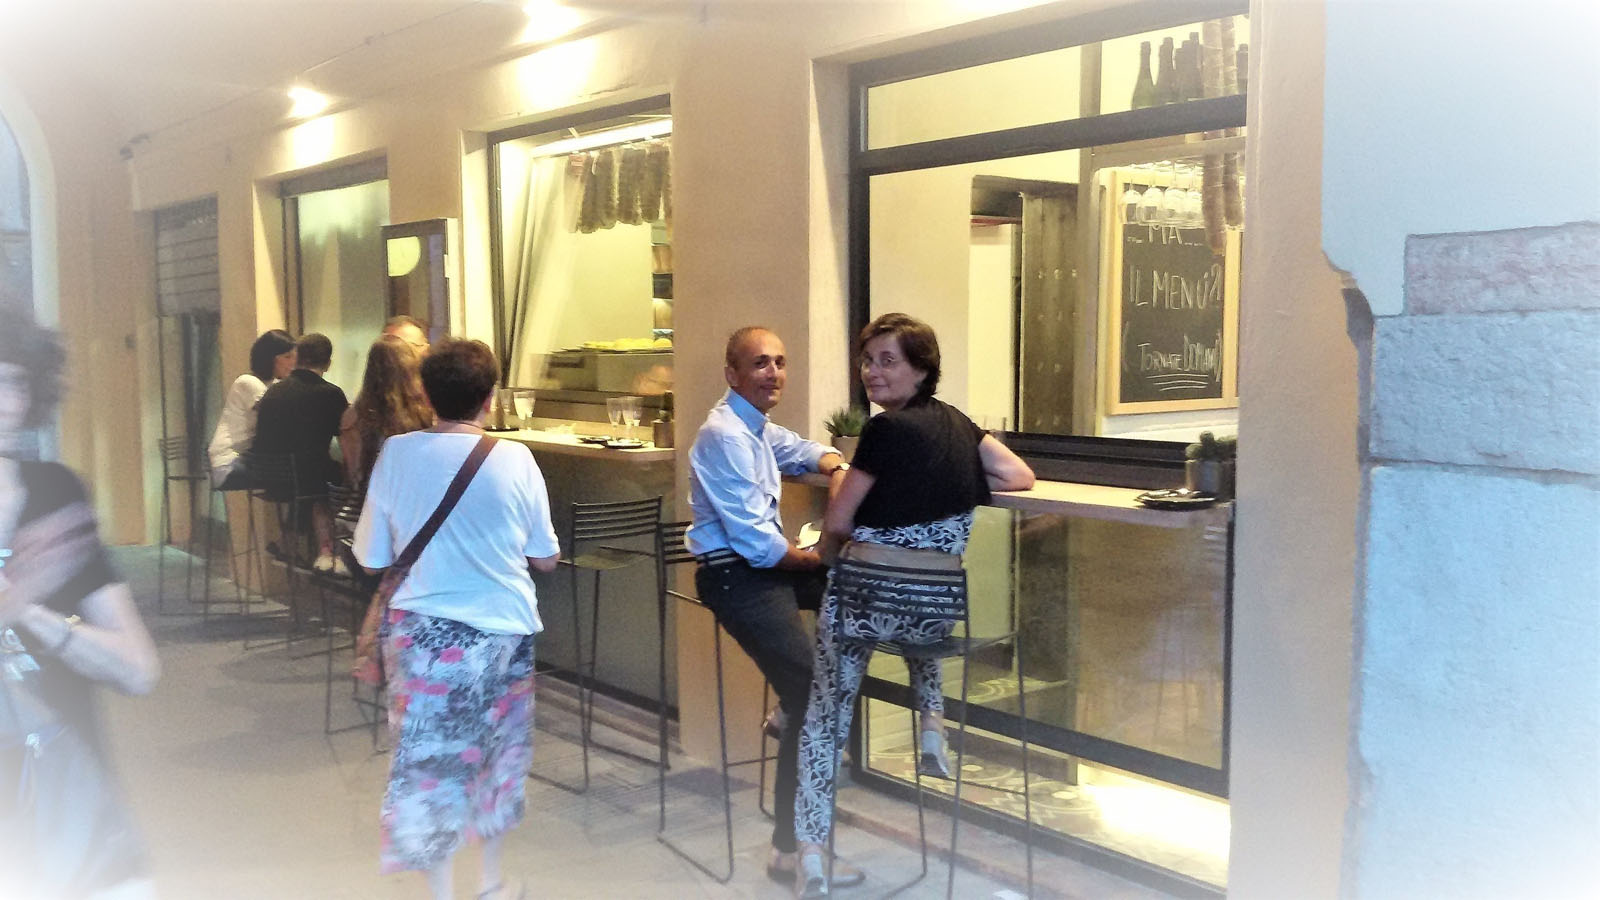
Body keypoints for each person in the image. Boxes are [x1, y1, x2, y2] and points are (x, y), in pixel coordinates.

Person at [791, 313, 1035, 898]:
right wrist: (950, 481)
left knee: (824, 718)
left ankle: (811, 853)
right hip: (935, 607)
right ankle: (931, 724)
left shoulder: (883, 430)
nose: (871, 372)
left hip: (867, 602)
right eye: (867, 360)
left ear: (922, 369)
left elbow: (840, 519)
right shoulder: (960, 424)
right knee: (914, 610)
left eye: (887, 361)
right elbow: (1020, 475)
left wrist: (824, 556)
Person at [352, 338, 559, 900]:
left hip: (423, 638)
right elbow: (544, 556)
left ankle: (442, 893)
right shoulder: (516, 458)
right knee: (499, 754)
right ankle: (489, 883)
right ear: (490, 398)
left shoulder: (397, 454)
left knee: (429, 766)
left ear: (425, 394)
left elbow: (370, 557)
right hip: (503, 631)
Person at [685, 326, 862, 889]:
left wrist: (835, 465)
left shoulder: (756, 428)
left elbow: (803, 449)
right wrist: (818, 554)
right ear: (732, 373)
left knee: (858, 595)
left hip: (762, 569)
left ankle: (790, 709)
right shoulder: (725, 435)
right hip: (736, 576)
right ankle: (790, 850)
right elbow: (758, 546)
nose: (774, 373)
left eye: (780, 362)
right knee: (812, 696)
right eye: (760, 363)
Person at [0, 310, 161, 899]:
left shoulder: (54, 496)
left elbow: (140, 671)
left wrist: (35, 614)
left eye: (15, 382)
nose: (7, 403)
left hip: (77, 827)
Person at [252, 333, 348, 572]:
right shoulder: (330, 393)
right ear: (328, 363)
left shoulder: (274, 391)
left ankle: (288, 544)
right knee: (332, 480)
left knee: (311, 472)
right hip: (307, 479)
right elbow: (345, 437)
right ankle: (329, 551)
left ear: (297, 358)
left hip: (270, 478)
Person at [339, 335, 433, 490]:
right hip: (413, 497)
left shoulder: (352, 417)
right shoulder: (423, 413)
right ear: (409, 370)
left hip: (365, 499)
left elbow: (354, 473)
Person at [207, 329, 297, 488]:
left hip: (248, 459)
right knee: (293, 476)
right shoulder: (248, 382)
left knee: (295, 473)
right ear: (270, 359)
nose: (293, 363)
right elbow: (276, 415)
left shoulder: (273, 385)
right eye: (287, 357)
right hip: (228, 463)